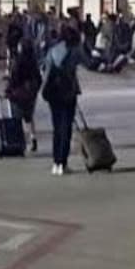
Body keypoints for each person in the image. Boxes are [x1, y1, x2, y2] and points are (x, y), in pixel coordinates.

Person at [40, 22, 85, 176]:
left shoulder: (53, 51)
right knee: (66, 129)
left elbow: (44, 68)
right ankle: (63, 163)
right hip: (69, 92)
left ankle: (55, 162)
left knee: (57, 128)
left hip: (54, 93)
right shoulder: (75, 51)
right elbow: (88, 62)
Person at [3, 24, 41, 154]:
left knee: (17, 118)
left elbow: (14, 79)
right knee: (29, 117)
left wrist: (7, 91)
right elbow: (39, 78)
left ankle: (19, 142)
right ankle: (33, 137)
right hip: (31, 94)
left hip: (18, 94)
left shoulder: (18, 62)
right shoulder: (33, 61)